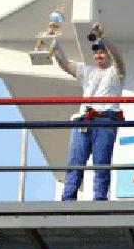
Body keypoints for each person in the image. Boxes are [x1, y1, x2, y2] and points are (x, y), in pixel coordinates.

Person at [52, 24, 126, 201]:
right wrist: (55, 47)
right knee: (75, 163)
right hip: (83, 121)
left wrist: (102, 37)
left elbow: (118, 57)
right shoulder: (88, 71)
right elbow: (65, 64)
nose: (98, 56)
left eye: (101, 52)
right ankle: (68, 200)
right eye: (96, 53)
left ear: (107, 54)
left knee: (101, 164)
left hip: (105, 121)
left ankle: (100, 201)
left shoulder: (116, 73)